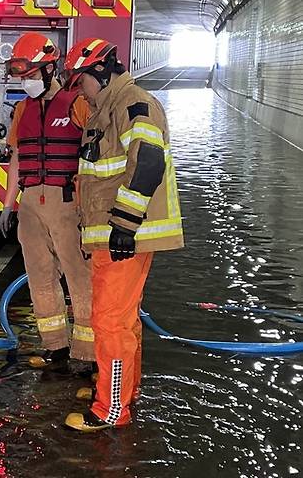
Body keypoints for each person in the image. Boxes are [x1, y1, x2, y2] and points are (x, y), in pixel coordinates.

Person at [61, 38, 184, 431]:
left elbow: (148, 162)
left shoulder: (134, 104)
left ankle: (111, 409)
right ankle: (120, 391)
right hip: (111, 235)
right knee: (123, 320)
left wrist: (126, 225)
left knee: (110, 321)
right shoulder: (107, 109)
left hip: (124, 236)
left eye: (82, 81)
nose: (80, 89)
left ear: (100, 72)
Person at [0, 32, 96, 370]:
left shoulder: (76, 104)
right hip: (30, 206)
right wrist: (8, 203)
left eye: (31, 75)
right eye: (22, 77)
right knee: (40, 276)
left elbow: (95, 151)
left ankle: (86, 353)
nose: (26, 82)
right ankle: (55, 345)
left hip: (68, 203)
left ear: (50, 68)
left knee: (79, 277)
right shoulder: (21, 110)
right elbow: (16, 158)